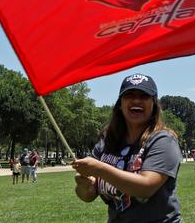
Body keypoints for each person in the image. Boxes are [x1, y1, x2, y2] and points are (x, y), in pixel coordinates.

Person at [72, 73, 182, 222]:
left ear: (154, 104)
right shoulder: (107, 141)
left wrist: (99, 169)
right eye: (129, 95)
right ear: (120, 104)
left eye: (144, 96)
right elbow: (88, 195)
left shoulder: (163, 140)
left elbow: (145, 188)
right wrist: (84, 186)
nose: (136, 100)